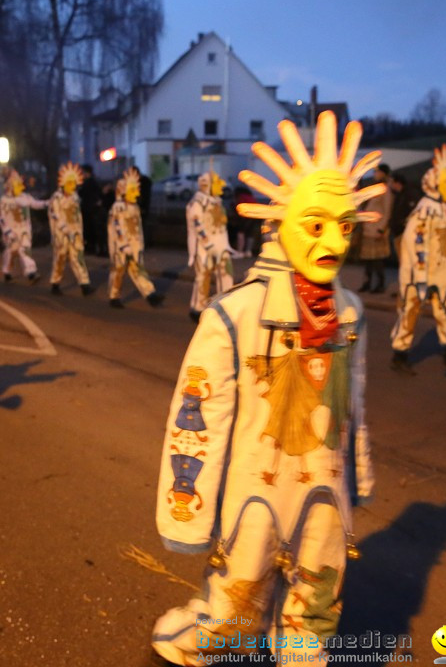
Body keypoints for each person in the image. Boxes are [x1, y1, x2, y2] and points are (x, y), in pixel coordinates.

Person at [151, 113, 380, 666]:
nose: (334, 241)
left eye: (345, 225)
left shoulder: (349, 311)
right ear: (282, 221)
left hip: (326, 495)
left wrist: (360, 473)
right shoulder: (235, 314)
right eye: (316, 223)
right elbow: (198, 420)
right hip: (253, 499)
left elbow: (354, 406)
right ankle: (193, 640)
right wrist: (189, 513)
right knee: (232, 615)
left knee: (316, 614)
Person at [390, 145, 446, 374]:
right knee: (409, 312)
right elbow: (415, 246)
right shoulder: (423, 213)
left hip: (444, 275)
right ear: (435, 184)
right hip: (419, 277)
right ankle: (400, 354)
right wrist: (420, 277)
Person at [108, 167, 163, 308]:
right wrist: (123, 244)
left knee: (138, 268)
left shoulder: (135, 207)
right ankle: (114, 296)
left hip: (134, 245)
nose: (137, 193)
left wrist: (138, 244)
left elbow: (138, 228)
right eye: (133, 190)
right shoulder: (118, 207)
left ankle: (150, 293)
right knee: (119, 269)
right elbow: (117, 226)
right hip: (121, 247)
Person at [186, 170, 235, 321]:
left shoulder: (217, 202)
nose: (221, 186)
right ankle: (197, 308)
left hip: (221, 247)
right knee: (203, 277)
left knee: (226, 275)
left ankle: (226, 306)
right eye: (217, 183)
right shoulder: (197, 203)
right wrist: (207, 244)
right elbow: (196, 224)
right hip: (204, 249)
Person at [48, 162, 94, 295]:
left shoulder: (74, 197)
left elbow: (77, 216)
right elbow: (56, 216)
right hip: (61, 235)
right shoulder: (56, 198)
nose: (73, 186)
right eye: (70, 183)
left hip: (75, 234)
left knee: (78, 257)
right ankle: (55, 283)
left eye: (74, 183)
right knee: (60, 258)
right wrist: (66, 230)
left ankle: (84, 284)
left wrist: (78, 232)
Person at [0, 168, 47, 283]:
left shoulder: (25, 197)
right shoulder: (4, 201)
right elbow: (1, 218)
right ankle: (7, 270)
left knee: (25, 250)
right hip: (11, 232)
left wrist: (46, 203)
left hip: (24, 231)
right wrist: (7, 231)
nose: (22, 187)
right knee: (11, 252)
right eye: (18, 185)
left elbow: (35, 204)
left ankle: (31, 272)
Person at [358, 164, 393, 293]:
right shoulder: (375, 187)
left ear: (383, 173)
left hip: (377, 229)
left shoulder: (385, 189)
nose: (375, 174)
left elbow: (387, 210)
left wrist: (382, 228)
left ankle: (380, 284)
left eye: (377, 172)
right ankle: (367, 282)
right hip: (368, 229)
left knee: (377, 259)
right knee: (368, 258)